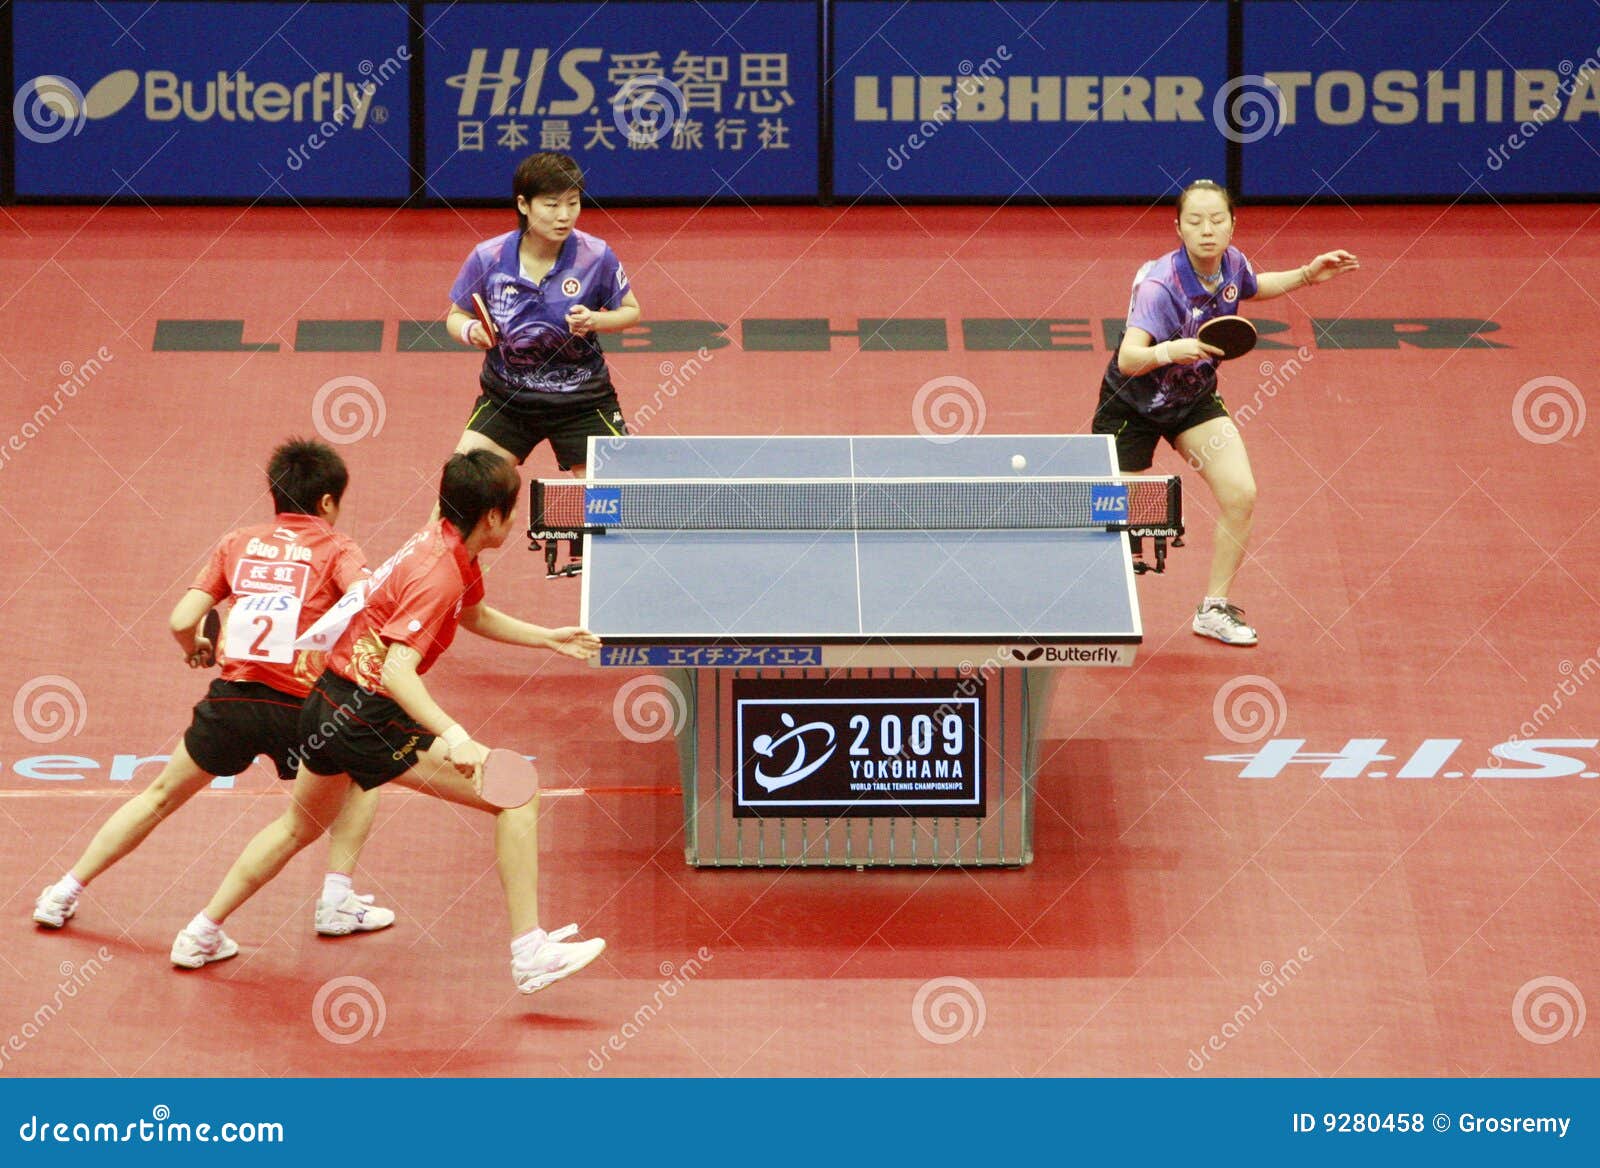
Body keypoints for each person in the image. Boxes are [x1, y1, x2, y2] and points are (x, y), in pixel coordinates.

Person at [171, 451, 607, 995]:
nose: (516, 521)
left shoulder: (444, 543)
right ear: (492, 517)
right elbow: (400, 671)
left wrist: (546, 637)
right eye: (512, 511)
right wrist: (457, 736)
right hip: (366, 717)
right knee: (516, 793)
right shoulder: (440, 571)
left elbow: (469, 614)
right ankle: (529, 953)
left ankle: (200, 933)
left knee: (297, 828)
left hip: (325, 702)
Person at [34, 439, 393, 939]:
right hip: (306, 711)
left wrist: (197, 647)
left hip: (232, 702)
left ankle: (61, 893)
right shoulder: (338, 547)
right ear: (327, 502)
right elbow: (364, 598)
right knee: (362, 777)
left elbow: (182, 619)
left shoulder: (237, 542)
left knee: (159, 796)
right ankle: (334, 901)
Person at [1093, 179, 1359, 645]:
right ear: (1178, 227)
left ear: (1233, 224)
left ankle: (1213, 608)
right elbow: (1128, 359)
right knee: (1114, 520)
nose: (1207, 230)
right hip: (1130, 406)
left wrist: (1306, 275)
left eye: (1217, 220)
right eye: (1195, 221)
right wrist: (1171, 350)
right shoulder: (1161, 286)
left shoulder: (1232, 264)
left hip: (1192, 401)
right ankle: (1087, 604)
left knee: (1241, 494)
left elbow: (1253, 286)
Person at [446, 151, 642, 487]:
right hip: (507, 401)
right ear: (524, 205)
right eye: (551, 205)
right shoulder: (488, 257)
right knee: (461, 493)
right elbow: (455, 316)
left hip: (583, 401)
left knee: (610, 507)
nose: (564, 216)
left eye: (573, 203)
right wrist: (471, 330)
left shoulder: (596, 256)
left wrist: (595, 320)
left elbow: (631, 312)